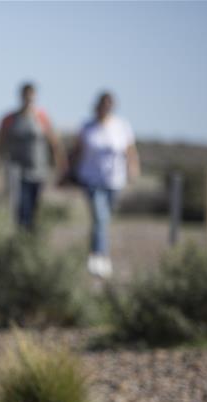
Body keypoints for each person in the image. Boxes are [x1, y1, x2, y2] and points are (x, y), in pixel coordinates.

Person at [73, 91, 140, 278]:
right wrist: (69, 172)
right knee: (100, 217)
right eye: (103, 104)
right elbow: (77, 151)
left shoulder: (122, 126)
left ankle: (97, 253)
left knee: (103, 219)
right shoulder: (87, 127)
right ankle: (99, 256)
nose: (105, 108)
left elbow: (130, 151)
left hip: (114, 180)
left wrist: (133, 169)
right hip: (91, 179)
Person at [0, 82, 67, 230]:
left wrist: (60, 167)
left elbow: (54, 144)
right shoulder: (9, 119)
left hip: (38, 170)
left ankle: (30, 239)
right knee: (20, 205)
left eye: (31, 96)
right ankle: (21, 237)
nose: (28, 99)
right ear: (20, 96)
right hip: (16, 170)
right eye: (25, 95)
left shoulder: (42, 117)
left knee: (34, 207)